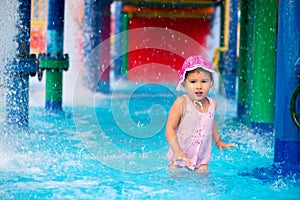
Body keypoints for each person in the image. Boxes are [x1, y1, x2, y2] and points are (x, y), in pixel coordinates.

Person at [166, 55, 237, 170]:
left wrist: (218, 140)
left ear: (211, 83)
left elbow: (210, 122)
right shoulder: (181, 103)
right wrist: (177, 151)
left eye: (204, 81)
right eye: (193, 81)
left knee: (204, 179)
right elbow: (170, 128)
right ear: (184, 84)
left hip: (201, 157)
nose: (199, 86)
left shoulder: (212, 104)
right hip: (179, 155)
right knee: (176, 177)